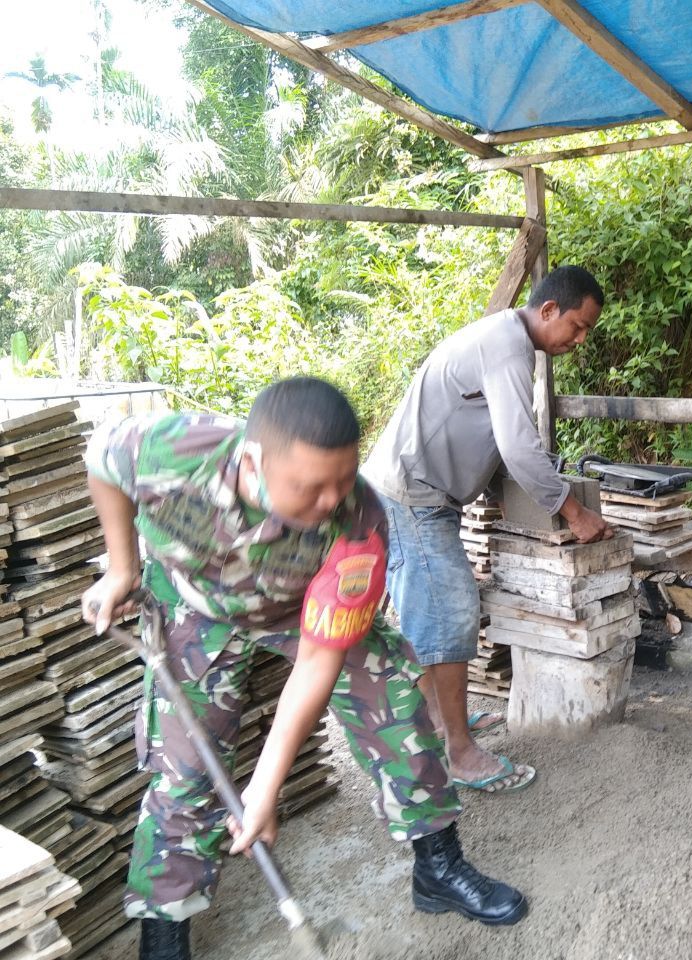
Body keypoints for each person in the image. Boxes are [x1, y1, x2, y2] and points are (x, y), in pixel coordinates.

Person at [82, 377, 528, 960]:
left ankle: (438, 867)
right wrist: (122, 566)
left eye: (341, 480)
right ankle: (165, 926)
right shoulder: (176, 449)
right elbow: (103, 462)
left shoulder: (359, 520)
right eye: (310, 486)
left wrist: (264, 788)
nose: (329, 500)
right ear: (252, 461)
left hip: (302, 612)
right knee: (185, 771)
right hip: (195, 606)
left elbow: (320, 659)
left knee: (396, 704)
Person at [363, 265, 612, 795]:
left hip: (423, 494)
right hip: (412, 495)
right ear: (548, 310)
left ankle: (435, 722)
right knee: (449, 615)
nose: (580, 339)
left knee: (438, 616)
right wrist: (575, 512)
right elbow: (521, 447)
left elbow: (500, 439)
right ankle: (460, 755)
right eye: (577, 325)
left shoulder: (507, 339)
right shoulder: (507, 347)